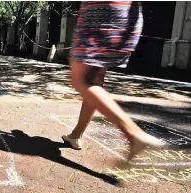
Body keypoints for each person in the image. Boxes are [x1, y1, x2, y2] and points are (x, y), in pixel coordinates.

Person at [62, 1, 164, 165]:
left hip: (100, 16)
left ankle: (134, 134)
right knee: (94, 81)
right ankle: (76, 135)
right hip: (127, 18)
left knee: (81, 81)